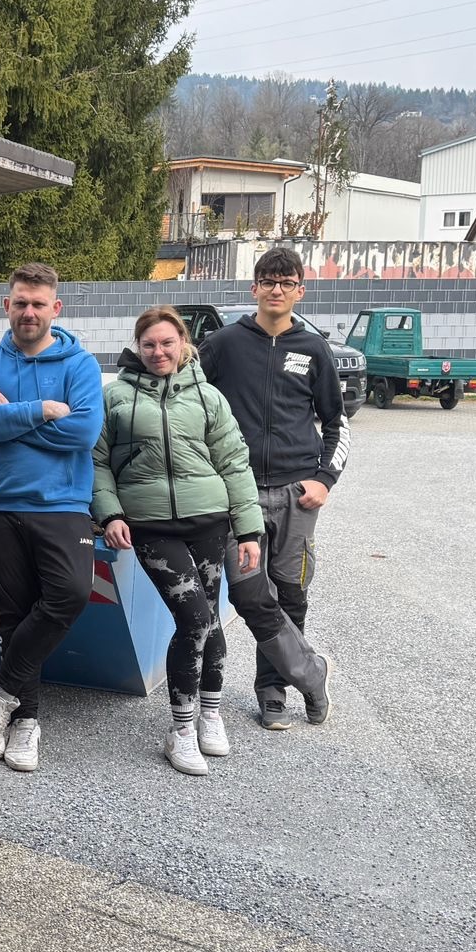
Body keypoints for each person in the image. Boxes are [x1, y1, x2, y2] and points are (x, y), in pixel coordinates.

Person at [93, 307, 332, 776]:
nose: (158, 352)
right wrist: (109, 513)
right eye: (149, 344)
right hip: (151, 525)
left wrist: (247, 530)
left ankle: (210, 714)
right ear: (137, 347)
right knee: (196, 619)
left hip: (209, 521)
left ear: (183, 343)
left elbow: (234, 463)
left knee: (210, 623)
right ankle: (180, 731)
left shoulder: (208, 397)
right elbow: (98, 462)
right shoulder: (115, 396)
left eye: (167, 343)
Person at [0, 262, 104, 774]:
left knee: (70, 594)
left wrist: (12, 416)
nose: (28, 312)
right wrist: (41, 408)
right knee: (14, 620)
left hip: (63, 506)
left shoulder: (80, 365)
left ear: (55, 309)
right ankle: (24, 722)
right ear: (7, 306)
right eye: (20, 302)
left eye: (38, 304)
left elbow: (84, 434)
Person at [198, 246, 346, 730]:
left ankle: (273, 692)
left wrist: (324, 480)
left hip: (296, 495)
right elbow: (189, 404)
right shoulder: (223, 344)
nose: (276, 289)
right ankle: (311, 674)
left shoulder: (315, 349)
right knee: (248, 594)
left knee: (290, 594)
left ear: (300, 290)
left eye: (286, 281)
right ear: (254, 288)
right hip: (236, 494)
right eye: (268, 280)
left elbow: (337, 425)